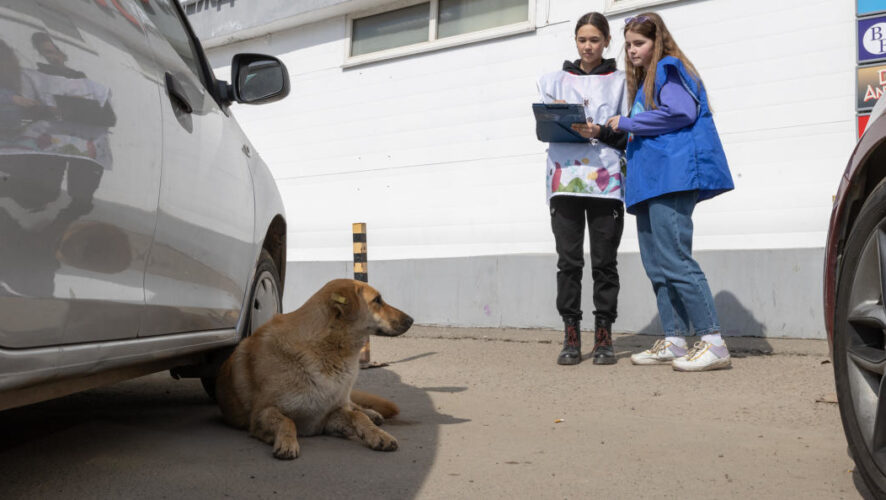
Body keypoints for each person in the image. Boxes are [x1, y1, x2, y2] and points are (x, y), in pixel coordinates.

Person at [605, 12, 734, 371]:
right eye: (628, 44)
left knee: (675, 259)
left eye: (639, 43)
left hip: (671, 178)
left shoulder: (667, 67)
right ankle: (676, 340)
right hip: (649, 182)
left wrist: (629, 122)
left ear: (657, 41)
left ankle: (713, 342)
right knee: (657, 265)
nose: (631, 50)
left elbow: (682, 112)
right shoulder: (647, 79)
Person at [537, 12, 628, 366]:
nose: (587, 46)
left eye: (594, 39)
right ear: (575, 42)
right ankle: (570, 334)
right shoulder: (552, 81)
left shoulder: (622, 81)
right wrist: (556, 118)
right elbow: (541, 129)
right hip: (565, 180)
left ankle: (604, 334)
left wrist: (600, 132)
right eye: (581, 39)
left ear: (606, 41)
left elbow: (627, 131)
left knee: (605, 262)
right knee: (569, 261)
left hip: (607, 181)